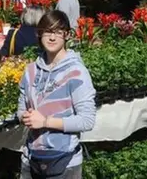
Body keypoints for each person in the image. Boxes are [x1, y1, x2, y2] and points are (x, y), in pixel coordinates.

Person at [18, 10, 96, 179]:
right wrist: (25, 116)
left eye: (58, 32)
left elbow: (87, 120)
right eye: (47, 31)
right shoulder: (30, 71)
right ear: (40, 34)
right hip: (30, 159)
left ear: (66, 35)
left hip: (64, 162)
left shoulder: (76, 72)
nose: (52, 38)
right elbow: (21, 109)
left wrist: (45, 122)